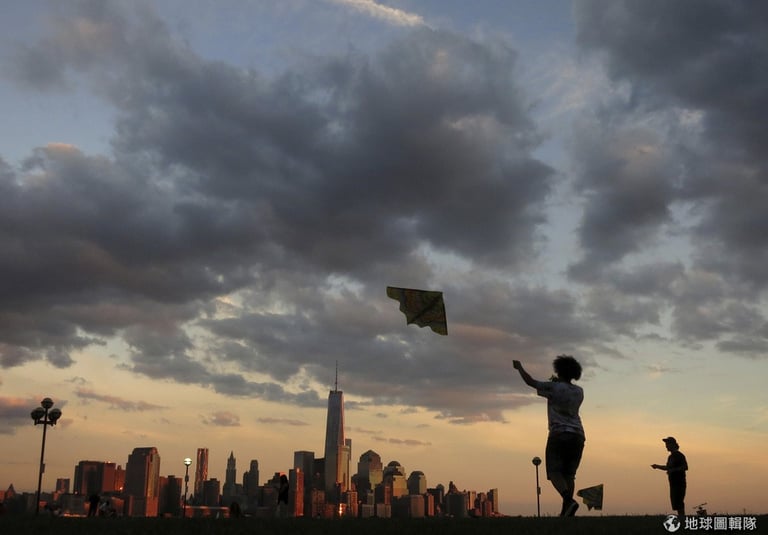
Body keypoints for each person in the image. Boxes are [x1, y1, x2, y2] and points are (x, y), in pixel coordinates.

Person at [513, 356, 585, 517]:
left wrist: (519, 368)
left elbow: (530, 382)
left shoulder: (554, 387)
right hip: (578, 435)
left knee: (554, 472)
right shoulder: (579, 391)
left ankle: (568, 500)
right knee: (569, 475)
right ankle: (566, 511)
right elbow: (563, 393)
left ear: (559, 371)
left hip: (559, 434)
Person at [652, 436, 688, 518]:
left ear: (673, 445)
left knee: (679, 502)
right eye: (666, 444)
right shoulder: (671, 457)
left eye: (668, 444)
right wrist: (657, 466)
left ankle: (682, 519)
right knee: (676, 502)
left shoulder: (679, 455)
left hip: (679, 483)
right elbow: (668, 468)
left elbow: (685, 467)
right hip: (673, 483)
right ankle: (681, 518)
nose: (666, 446)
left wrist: (673, 470)